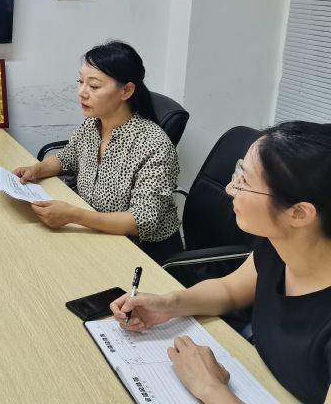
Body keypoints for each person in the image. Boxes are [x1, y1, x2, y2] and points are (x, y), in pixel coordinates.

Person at [111, 121, 331, 404]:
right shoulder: (281, 242)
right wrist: (167, 305)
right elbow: (230, 290)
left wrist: (210, 388)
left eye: (244, 182)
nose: (229, 188)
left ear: (299, 213)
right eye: (238, 172)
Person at [12, 40, 181, 262]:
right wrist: (36, 170)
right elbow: (68, 158)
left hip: (142, 253)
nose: (81, 92)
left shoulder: (154, 145)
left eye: (93, 86)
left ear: (127, 90)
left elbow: (142, 221)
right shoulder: (94, 124)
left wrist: (74, 215)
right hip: (96, 234)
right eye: (80, 82)